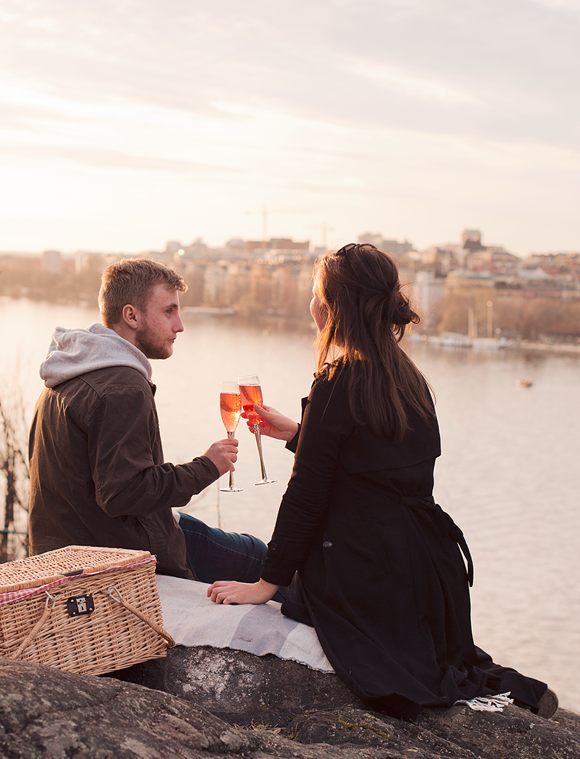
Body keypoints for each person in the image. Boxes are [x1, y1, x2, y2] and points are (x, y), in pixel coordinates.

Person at [208, 243, 557, 721]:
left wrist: (266, 584)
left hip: (365, 571)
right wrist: (298, 434)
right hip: (426, 568)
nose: (311, 305)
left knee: (213, 550)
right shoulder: (408, 379)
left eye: (316, 295)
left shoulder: (337, 381)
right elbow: (375, 468)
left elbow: (307, 497)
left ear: (333, 308)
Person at [28, 257, 266, 584]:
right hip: (123, 557)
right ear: (132, 316)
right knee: (271, 564)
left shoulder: (64, 377)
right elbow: (123, 493)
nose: (180, 325)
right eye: (169, 311)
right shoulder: (123, 388)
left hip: (72, 549)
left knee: (251, 549)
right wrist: (207, 467)